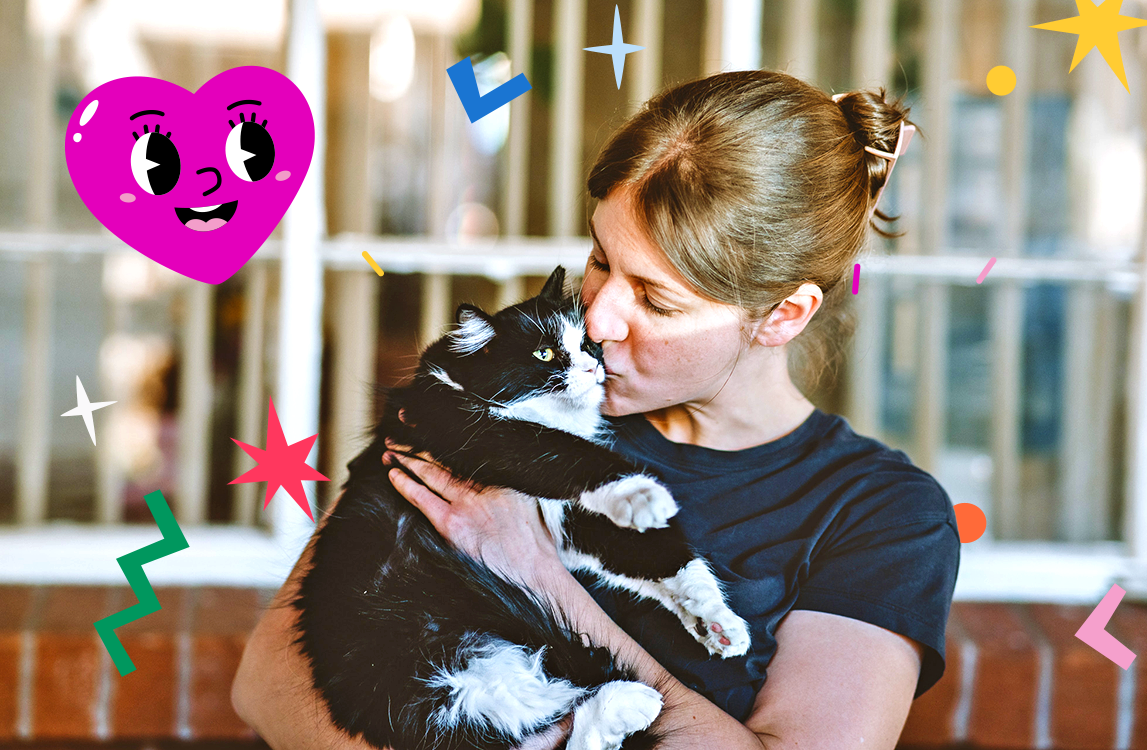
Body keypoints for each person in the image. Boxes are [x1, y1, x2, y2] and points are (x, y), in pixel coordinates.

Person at [232, 70, 961, 750]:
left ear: (782, 315)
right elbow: (266, 682)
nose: (599, 318)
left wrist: (537, 576)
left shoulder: (881, 517)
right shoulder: (491, 397)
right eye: (602, 260)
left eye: (655, 298)